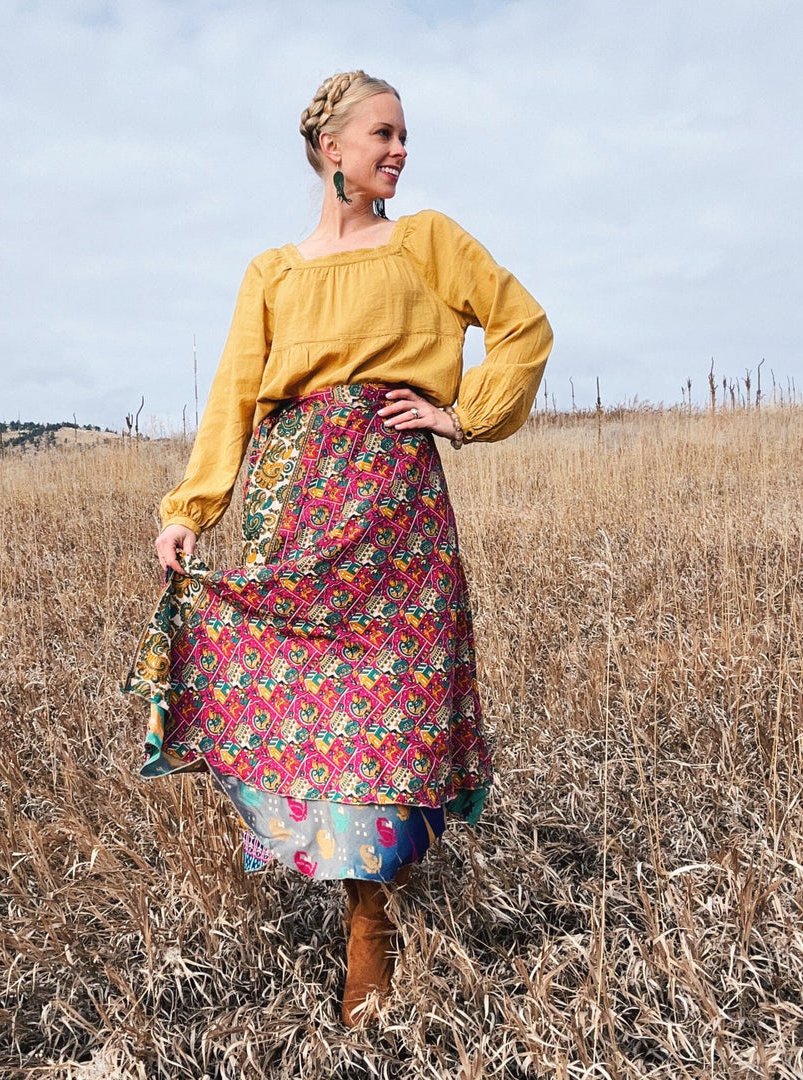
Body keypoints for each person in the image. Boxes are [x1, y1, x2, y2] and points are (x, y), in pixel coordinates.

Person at [124, 70, 552, 1026]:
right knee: (303, 693)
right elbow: (234, 394)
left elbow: (526, 327)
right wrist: (191, 505)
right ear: (330, 150)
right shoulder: (273, 271)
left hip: (396, 508)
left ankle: (371, 925)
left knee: (390, 703)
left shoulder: (430, 241)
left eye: (405, 136)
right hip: (298, 500)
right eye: (383, 134)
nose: (399, 151)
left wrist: (461, 413)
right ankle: (338, 877)